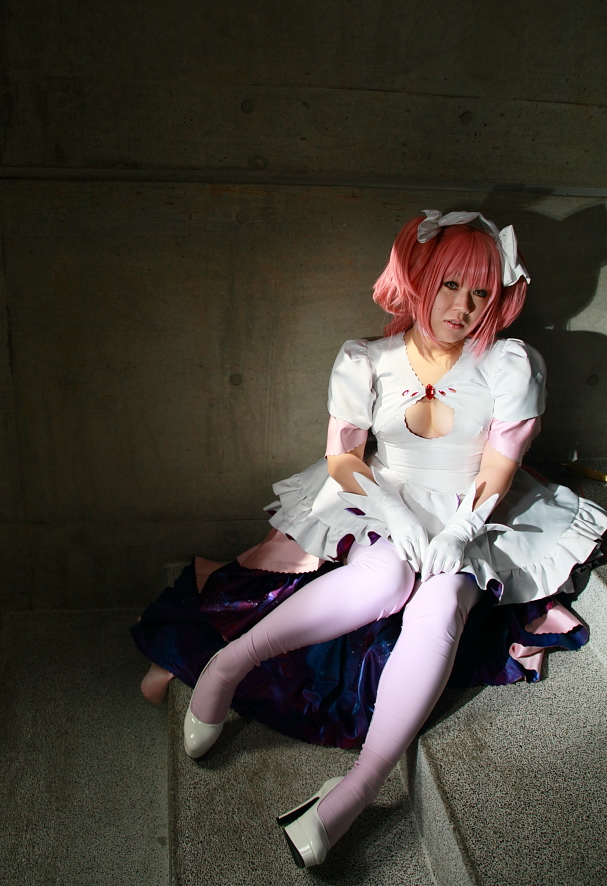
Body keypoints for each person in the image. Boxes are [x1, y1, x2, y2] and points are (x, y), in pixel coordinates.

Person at [132, 211, 607, 869]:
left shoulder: (508, 363)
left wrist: (462, 530)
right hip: (382, 497)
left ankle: (358, 787)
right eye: (449, 286)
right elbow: (344, 459)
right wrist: (400, 519)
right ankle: (227, 665)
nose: (462, 308)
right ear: (419, 280)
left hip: (474, 508)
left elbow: (499, 467)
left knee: (443, 601)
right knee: (385, 577)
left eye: (479, 293)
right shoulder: (368, 359)